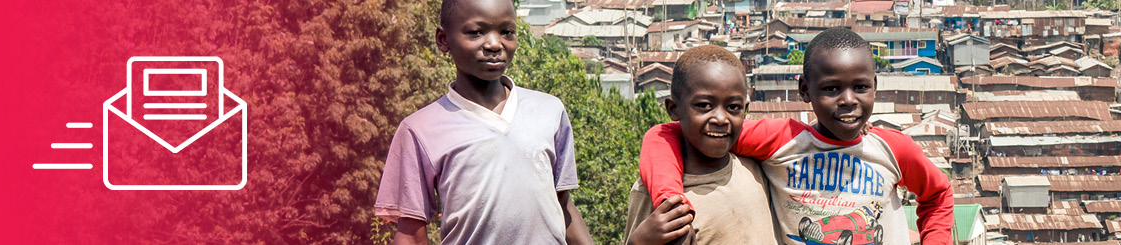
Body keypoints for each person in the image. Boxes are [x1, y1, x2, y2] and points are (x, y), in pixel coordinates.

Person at [638, 27, 954, 244]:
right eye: (832, 88)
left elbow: (938, 195)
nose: (848, 100)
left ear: (875, 87)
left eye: (860, 87)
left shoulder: (891, 149)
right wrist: (671, 202)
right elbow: (665, 135)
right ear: (805, 90)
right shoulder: (783, 139)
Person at [373, 0, 591, 243]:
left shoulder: (549, 110)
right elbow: (411, 234)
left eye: (507, 32)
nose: (495, 44)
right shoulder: (419, 130)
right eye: (476, 32)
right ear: (443, 39)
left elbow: (562, 204)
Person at [623, 45, 777, 245]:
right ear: (674, 109)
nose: (721, 119)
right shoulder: (653, 195)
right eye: (704, 105)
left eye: (733, 107)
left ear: (745, 110)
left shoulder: (753, 167)